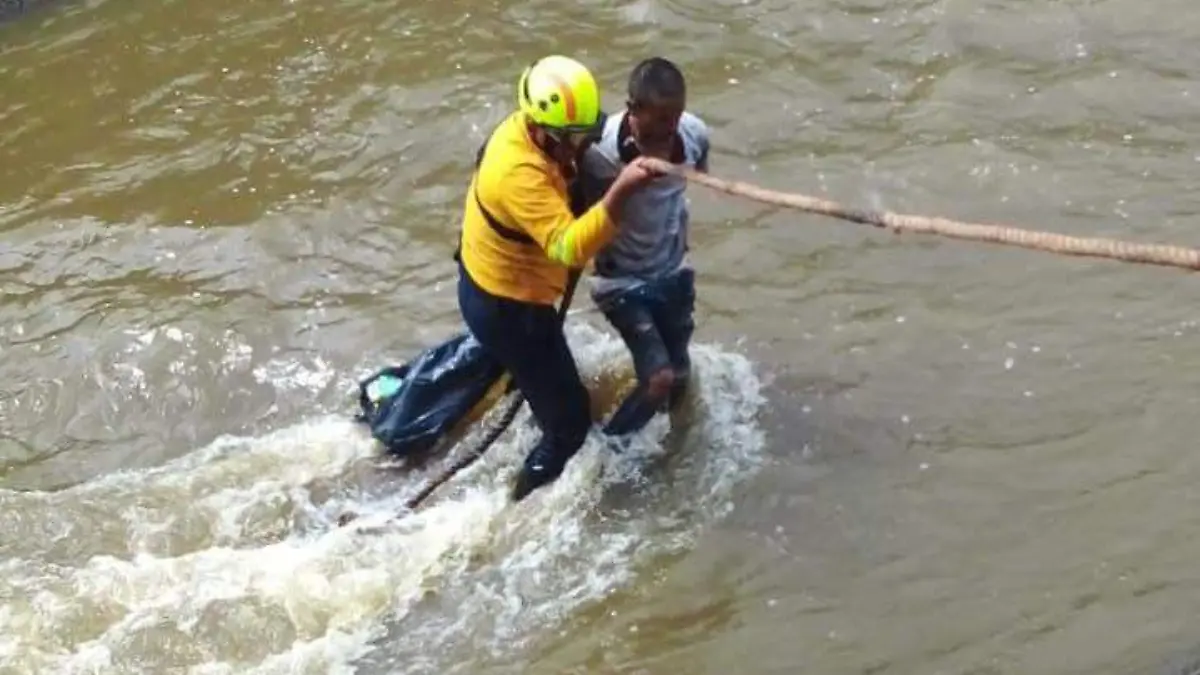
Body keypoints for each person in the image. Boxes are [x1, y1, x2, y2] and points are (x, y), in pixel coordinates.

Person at [455, 55, 662, 502]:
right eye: (574, 140)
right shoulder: (518, 173)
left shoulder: (532, 132)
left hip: (491, 283)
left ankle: (535, 396)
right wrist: (620, 194)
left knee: (542, 383)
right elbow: (568, 247)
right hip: (509, 308)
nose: (580, 147)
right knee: (570, 424)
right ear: (543, 131)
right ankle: (519, 501)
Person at [575, 56, 710, 443]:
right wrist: (624, 186)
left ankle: (675, 445)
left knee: (679, 374)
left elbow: (700, 174)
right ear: (632, 110)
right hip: (620, 280)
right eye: (655, 128)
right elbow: (581, 221)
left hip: (673, 270)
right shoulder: (598, 152)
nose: (666, 136)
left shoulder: (694, 134)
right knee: (658, 378)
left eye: (673, 122)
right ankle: (607, 451)